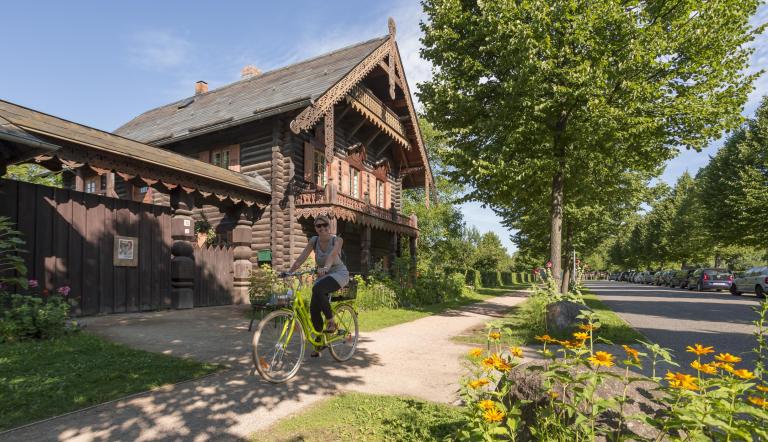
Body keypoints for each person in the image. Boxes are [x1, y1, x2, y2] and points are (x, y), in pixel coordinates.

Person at [288, 215, 350, 357]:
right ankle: (320, 341)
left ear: (329, 227)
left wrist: (326, 267)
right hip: (324, 276)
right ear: (315, 228)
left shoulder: (337, 240)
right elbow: (302, 258)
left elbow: (332, 255)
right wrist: (289, 272)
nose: (322, 228)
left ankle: (331, 322)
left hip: (338, 274)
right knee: (313, 309)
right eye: (318, 226)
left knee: (317, 288)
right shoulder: (314, 241)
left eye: (325, 225)